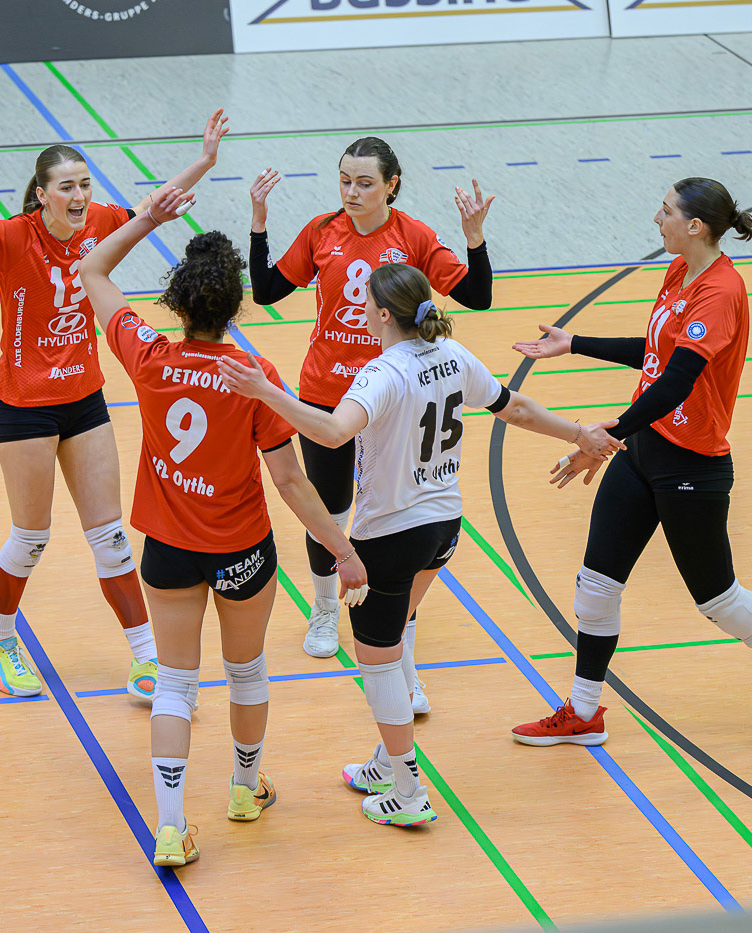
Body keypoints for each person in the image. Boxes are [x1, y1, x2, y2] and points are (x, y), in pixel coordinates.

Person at [220, 263, 620, 826]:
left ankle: (408, 791)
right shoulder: (453, 355)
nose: (360, 309)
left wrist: (267, 392)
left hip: (390, 534)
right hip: (443, 527)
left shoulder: (382, 373)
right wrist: (578, 432)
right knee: (397, 633)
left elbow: (332, 433)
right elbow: (516, 408)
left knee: (377, 662)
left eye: (365, 302)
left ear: (383, 314)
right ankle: (385, 764)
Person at [79, 187, 368, 866]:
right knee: (246, 671)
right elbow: (290, 481)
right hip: (241, 550)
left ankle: (170, 826)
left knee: (175, 683)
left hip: (169, 549)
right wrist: (343, 550)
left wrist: (147, 217)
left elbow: (92, 269)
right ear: (236, 304)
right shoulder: (253, 375)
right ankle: (243, 788)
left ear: (178, 305)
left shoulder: (148, 357)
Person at [0, 111, 229, 700]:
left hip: (84, 399)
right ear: (42, 195)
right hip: (24, 406)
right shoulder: (12, 236)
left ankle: (146, 659)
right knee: (31, 537)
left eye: (84, 184)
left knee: (111, 537)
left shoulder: (99, 221)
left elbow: (153, 206)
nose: (79, 197)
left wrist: (204, 161)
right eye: (66, 187)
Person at [509, 177, 752, 750]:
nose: (658, 219)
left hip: (692, 467)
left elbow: (678, 380)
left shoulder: (721, 291)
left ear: (695, 226)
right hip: (643, 451)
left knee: (717, 600)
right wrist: (575, 343)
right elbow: (657, 352)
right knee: (596, 584)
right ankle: (584, 712)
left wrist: (605, 435)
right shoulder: (679, 272)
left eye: (666, 210)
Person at [248, 136, 494, 715]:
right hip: (329, 394)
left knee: (394, 519)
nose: (352, 192)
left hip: (396, 398)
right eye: (345, 181)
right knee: (330, 511)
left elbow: (478, 297)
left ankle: (400, 644)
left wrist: (474, 237)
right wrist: (259, 222)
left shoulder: (414, 237)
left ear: (391, 185)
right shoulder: (321, 231)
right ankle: (324, 608)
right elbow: (265, 292)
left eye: (364, 183)